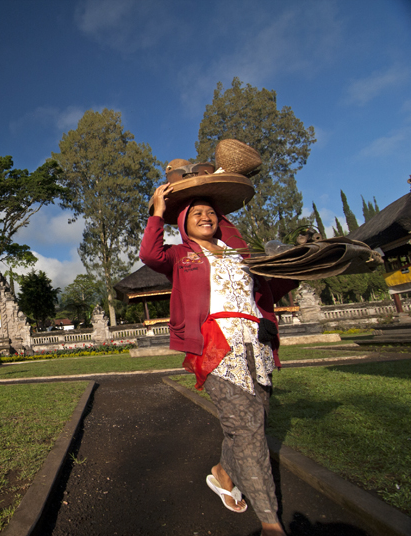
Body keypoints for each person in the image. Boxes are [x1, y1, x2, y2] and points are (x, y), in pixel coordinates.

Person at [139, 156, 297, 536]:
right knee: (246, 429)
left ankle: (224, 472)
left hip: (256, 346)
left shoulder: (239, 254)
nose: (207, 217)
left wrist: (300, 266)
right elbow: (150, 254)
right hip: (215, 348)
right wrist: (158, 212)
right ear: (184, 223)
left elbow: (272, 285)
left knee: (251, 421)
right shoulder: (181, 255)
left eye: (212, 213)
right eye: (198, 213)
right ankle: (270, 520)